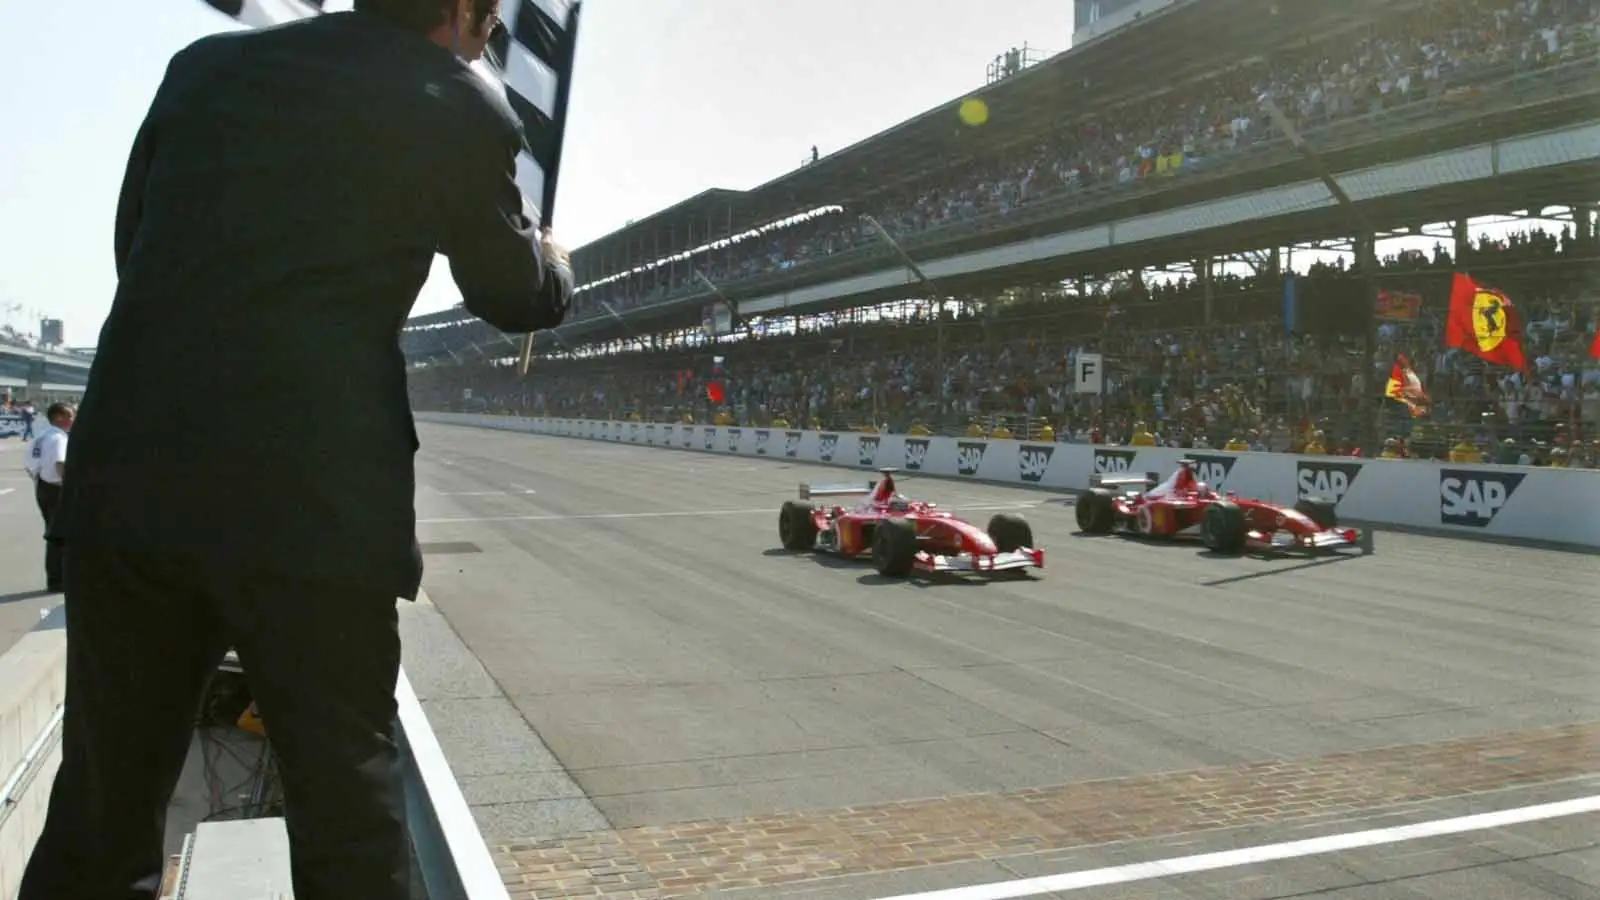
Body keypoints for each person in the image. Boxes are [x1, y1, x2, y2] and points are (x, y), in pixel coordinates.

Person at [19, 1, 574, 898]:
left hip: (135, 481)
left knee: (100, 816)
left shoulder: (201, 69)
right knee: (347, 820)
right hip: (312, 509)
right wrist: (556, 257)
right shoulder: (461, 105)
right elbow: (515, 295)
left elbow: (137, 247)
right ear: (465, 11)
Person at [23, 402, 74, 592]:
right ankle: (57, 579)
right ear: (59, 417)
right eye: (70, 415)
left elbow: (30, 464)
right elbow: (60, 464)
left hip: (43, 486)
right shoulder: (59, 438)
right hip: (55, 487)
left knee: (53, 533)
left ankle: (56, 577)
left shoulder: (43, 436)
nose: (73, 419)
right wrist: (69, 486)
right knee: (59, 535)